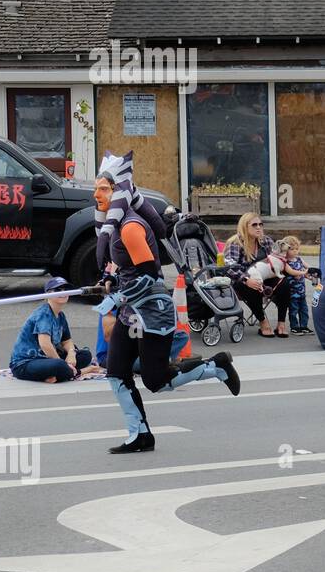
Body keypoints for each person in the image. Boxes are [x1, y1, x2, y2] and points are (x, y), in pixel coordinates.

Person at [94, 167, 240, 455]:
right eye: (96, 188)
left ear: (121, 193)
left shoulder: (130, 227)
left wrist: (117, 297)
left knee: (156, 382)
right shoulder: (114, 227)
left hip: (152, 313)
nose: (96, 194)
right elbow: (125, 269)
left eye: (104, 189)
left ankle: (215, 366)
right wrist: (109, 281)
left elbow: (150, 275)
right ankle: (140, 435)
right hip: (130, 313)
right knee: (116, 373)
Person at [9, 277, 99, 382]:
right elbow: (45, 344)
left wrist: (71, 353)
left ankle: (55, 375)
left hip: (45, 359)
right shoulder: (44, 314)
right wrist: (65, 364)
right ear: (48, 294)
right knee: (59, 365)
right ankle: (80, 372)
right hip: (25, 363)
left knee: (85, 355)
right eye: (57, 290)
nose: (63, 293)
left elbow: (67, 341)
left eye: (66, 290)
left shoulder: (60, 315)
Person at [222, 212, 293, 338]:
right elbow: (230, 267)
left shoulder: (266, 241)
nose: (259, 227)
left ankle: (281, 323)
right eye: (254, 225)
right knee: (253, 285)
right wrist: (246, 279)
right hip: (243, 281)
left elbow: (279, 258)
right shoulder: (235, 243)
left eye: (261, 224)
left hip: (266, 277)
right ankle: (263, 322)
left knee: (285, 283)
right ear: (245, 226)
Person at [279, 235, 312, 335]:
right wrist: (303, 272)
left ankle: (304, 326)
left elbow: (308, 268)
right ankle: (294, 327)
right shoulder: (285, 262)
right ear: (285, 250)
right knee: (293, 310)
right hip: (292, 293)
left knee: (304, 310)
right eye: (292, 249)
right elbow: (293, 272)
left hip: (302, 292)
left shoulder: (299, 259)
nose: (295, 251)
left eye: (297, 249)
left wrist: (310, 274)